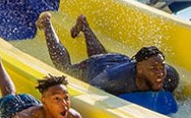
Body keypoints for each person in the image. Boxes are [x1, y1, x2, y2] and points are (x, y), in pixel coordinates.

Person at [36, 12, 179, 95]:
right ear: (140, 68)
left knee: (103, 56)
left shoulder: (170, 77)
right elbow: (91, 90)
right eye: (154, 68)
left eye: (162, 67)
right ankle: (47, 23)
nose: (160, 73)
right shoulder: (114, 80)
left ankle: (84, 26)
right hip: (95, 68)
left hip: (119, 60)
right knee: (65, 69)